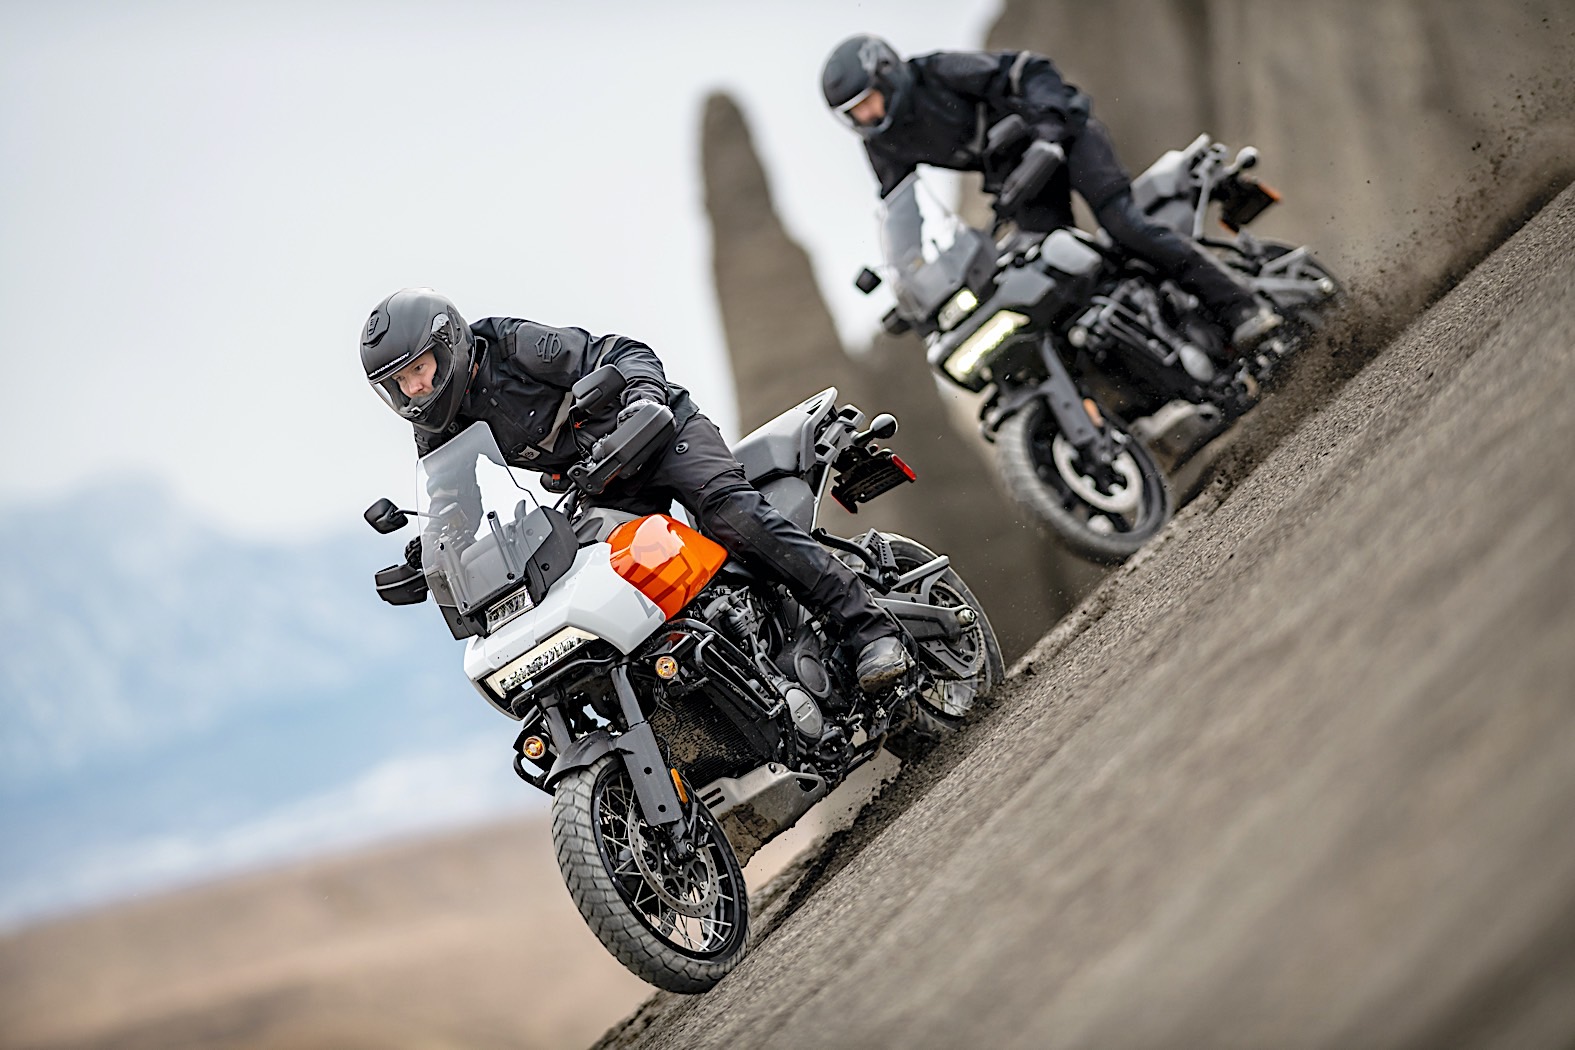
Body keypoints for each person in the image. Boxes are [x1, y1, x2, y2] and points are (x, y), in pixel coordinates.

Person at [359, 287, 912, 693]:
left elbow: (616, 352)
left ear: (447, 344)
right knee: (605, 587)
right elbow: (451, 499)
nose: (414, 389)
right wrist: (434, 548)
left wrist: (644, 398)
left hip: (657, 434)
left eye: (419, 371)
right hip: (597, 480)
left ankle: (868, 629)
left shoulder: (508, 344)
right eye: (399, 384)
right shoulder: (436, 424)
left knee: (731, 518)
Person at [821, 35, 1282, 354]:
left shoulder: (937, 72)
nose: (866, 114)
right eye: (854, 111)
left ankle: (1239, 305)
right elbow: (900, 208)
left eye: (867, 99)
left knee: (1122, 225)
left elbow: (1028, 69)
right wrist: (911, 282)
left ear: (887, 73)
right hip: (1019, 178)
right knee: (1050, 280)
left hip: (1065, 138)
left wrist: (1047, 133)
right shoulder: (883, 142)